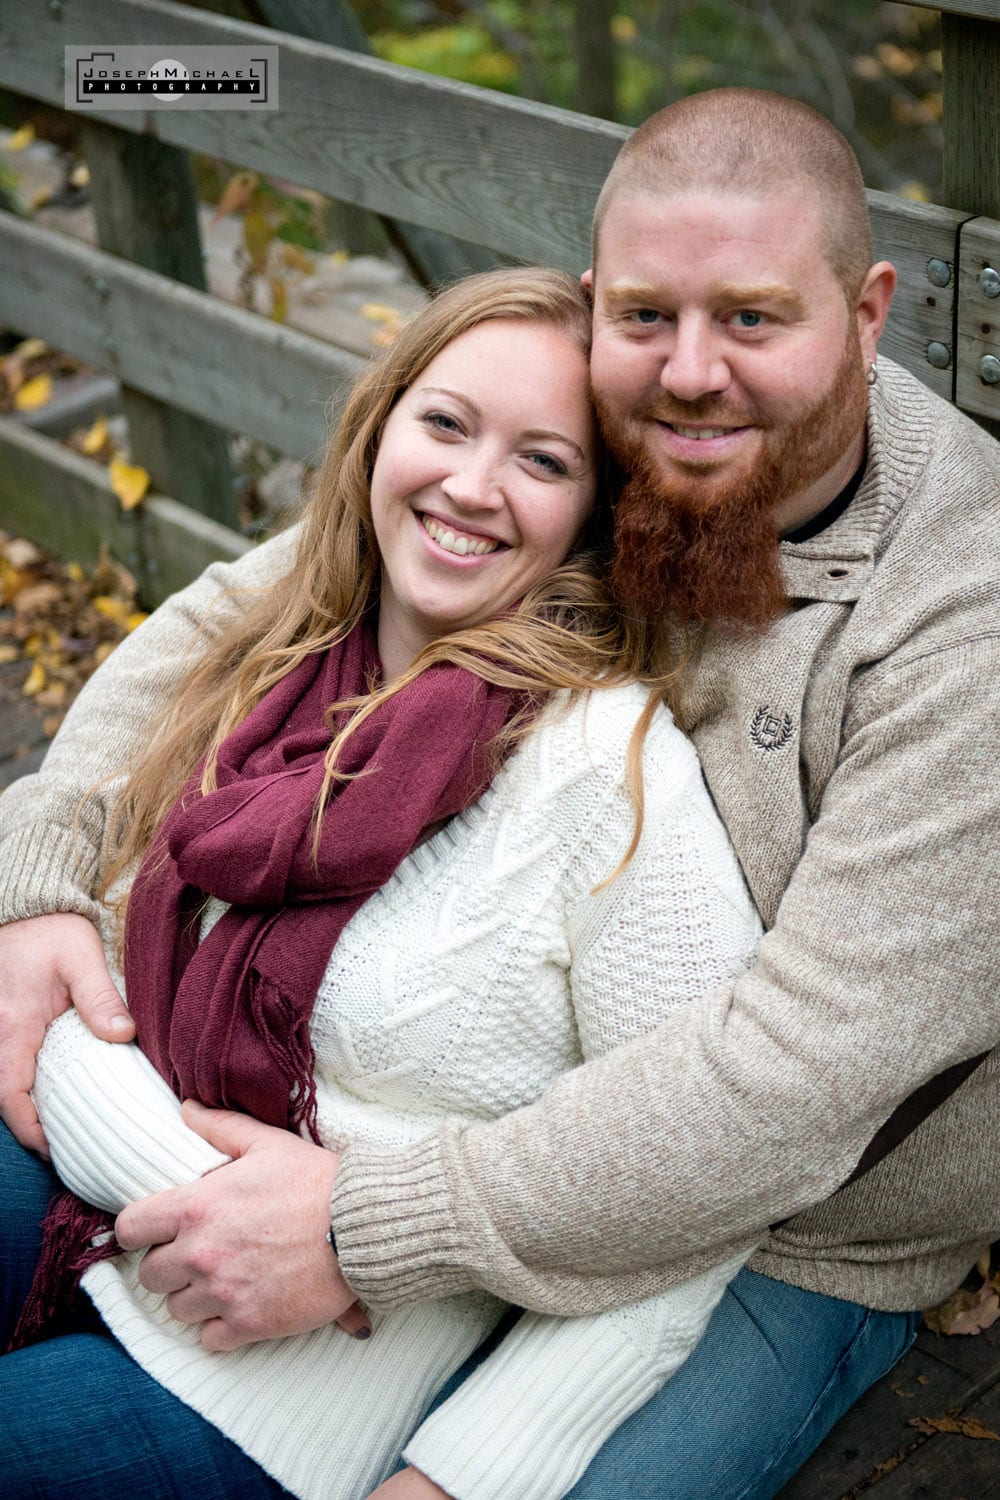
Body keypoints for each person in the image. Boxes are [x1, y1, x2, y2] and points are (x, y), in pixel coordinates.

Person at [1, 86, 997, 1498]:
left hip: (799, 1224)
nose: (695, 371)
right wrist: (38, 872)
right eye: (647, 313)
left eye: (756, 319)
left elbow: (795, 1082)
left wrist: (371, 1228)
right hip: (426, 1093)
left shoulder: (963, 624)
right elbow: (239, 614)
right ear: (598, 303)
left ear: (871, 306)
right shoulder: (594, 435)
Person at [0, 266, 764, 1499]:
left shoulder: (607, 779)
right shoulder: (280, 670)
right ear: (381, 427)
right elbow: (95, 971)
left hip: (293, 1380)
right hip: (90, 1194)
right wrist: (184, 1183)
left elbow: (691, 1206)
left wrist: (461, 1477)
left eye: (543, 461)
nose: (469, 486)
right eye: (447, 424)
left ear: (593, 515)